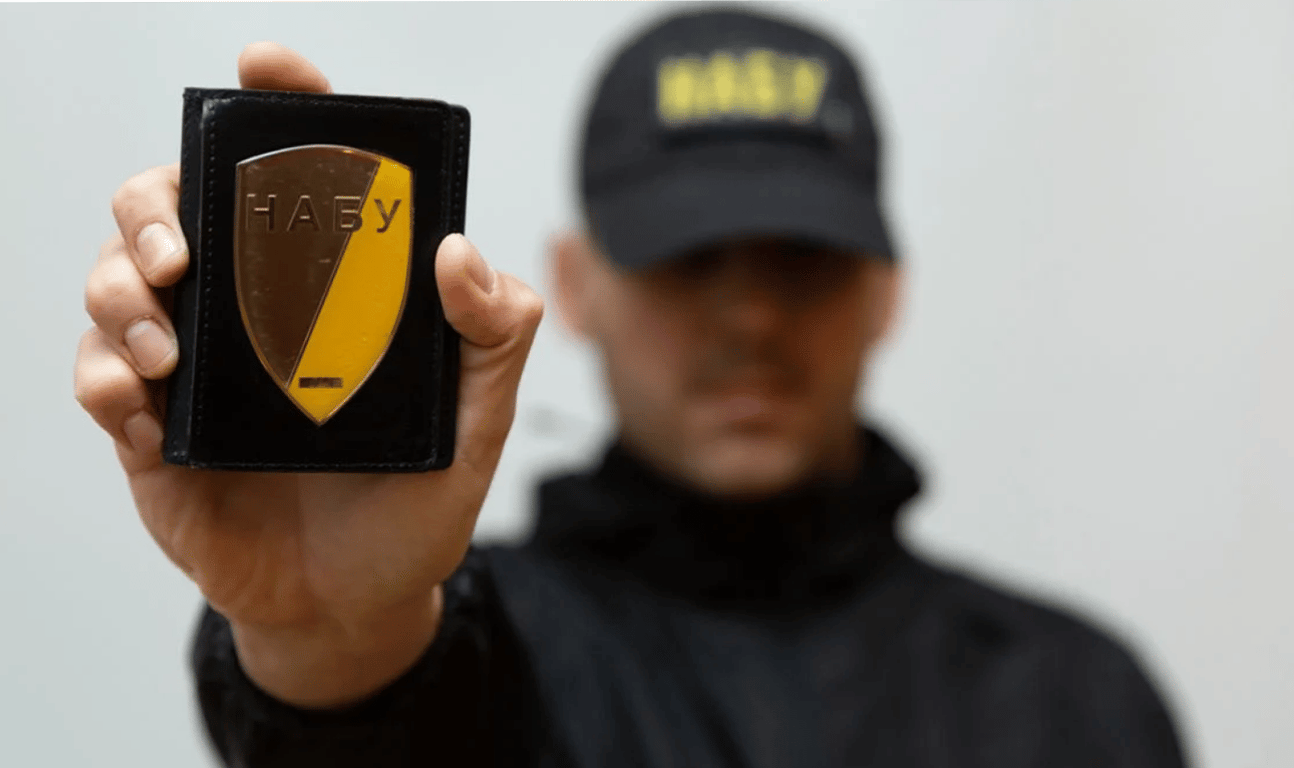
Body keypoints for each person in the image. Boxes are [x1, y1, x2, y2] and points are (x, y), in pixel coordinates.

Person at [74, 8, 1188, 767]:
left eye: (800, 261)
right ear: (575, 284)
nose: (750, 320)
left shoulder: (1077, 698)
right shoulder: (472, 645)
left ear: (885, 293)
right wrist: (332, 635)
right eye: (687, 261)